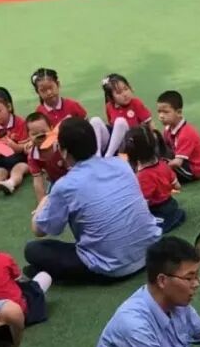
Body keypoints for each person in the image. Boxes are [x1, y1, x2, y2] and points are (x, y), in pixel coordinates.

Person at [26, 117, 161, 283]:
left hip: (113, 266)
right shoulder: (121, 164)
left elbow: (39, 230)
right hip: (150, 252)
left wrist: (44, 200)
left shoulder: (65, 186)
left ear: (64, 151)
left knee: (32, 250)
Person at [126, 125, 185, 233]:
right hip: (171, 203)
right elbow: (177, 186)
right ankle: (174, 217)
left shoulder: (143, 176)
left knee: (139, 223)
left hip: (158, 209)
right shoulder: (163, 164)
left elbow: (143, 204)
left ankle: (165, 222)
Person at [156, 90, 200, 183]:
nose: (161, 116)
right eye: (159, 112)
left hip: (193, 169)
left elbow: (177, 163)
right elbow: (164, 149)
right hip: (181, 162)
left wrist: (160, 169)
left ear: (179, 112)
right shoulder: (168, 129)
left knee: (159, 173)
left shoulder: (186, 133)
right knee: (155, 149)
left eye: (166, 112)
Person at [100, 73, 152, 158]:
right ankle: (98, 155)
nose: (125, 94)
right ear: (111, 97)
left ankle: (108, 157)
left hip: (132, 143)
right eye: (119, 92)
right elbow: (112, 126)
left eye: (126, 89)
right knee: (95, 121)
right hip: (117, 145)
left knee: (120, 121)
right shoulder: (109, 107)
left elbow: (149, 123)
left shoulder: (136, 103)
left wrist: (154, 142)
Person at [24, 112, 67, 203]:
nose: (40, 136)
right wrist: (42, 204)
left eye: (44, 132)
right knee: (51, 201)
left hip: (73, 176)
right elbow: (37, 181)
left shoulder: (61, 144)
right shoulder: (33, 156)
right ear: (28, 136)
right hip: (56, 182)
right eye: (35, 134)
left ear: (51, 129)